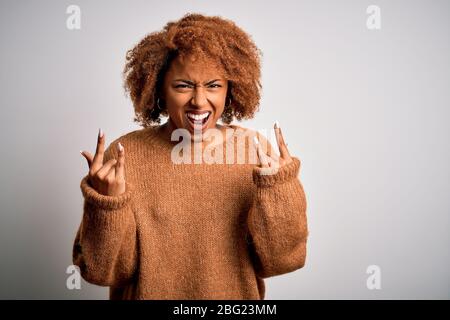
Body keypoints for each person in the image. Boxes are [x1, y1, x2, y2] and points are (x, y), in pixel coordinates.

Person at [74, 12, 308, 300]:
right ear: (159, 88)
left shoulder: (253, 152)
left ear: (230, 90)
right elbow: (103, 272)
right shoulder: (125, 156)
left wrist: (281, 191)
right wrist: (107, 206)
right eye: (183, 85)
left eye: (213, 85)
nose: (199, 100)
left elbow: (281, 261)